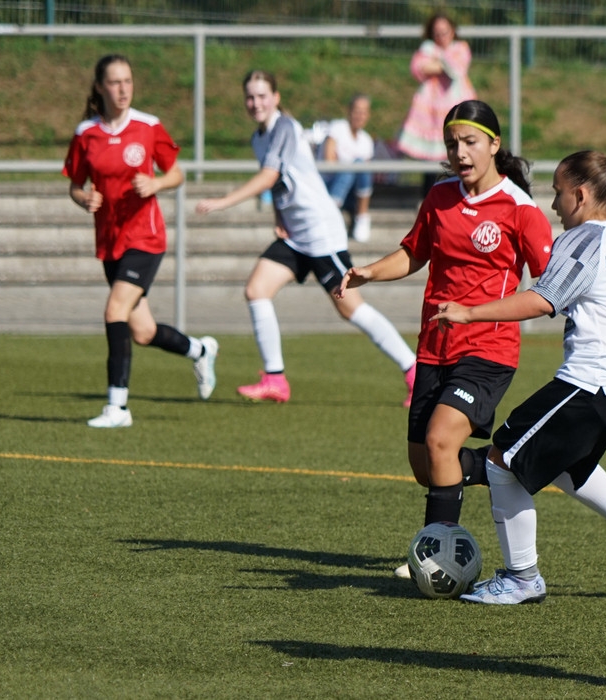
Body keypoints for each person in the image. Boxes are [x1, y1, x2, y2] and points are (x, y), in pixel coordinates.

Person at [430, 149, 606, 604]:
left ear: (579, 196)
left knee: (502, 460)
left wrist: (469, 313)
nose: (553, 204)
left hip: (593, 382)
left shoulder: (581, 240)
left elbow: (543, 299)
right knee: (560, 458)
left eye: (557, 193)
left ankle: (521, 578)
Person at [336, 100, 554, 578]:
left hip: (489, 350)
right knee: (427, 465)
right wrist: (370, 272)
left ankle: (436, 556)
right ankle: (502, 465)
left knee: (440, 441)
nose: (460, 152)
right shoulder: (439, 197)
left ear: (494, 145)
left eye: (470, 142)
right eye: (452, 143)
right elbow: (413, 253)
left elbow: (551, 281)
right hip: (434, 349)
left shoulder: (519, 208)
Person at [195, 70, 416, 405]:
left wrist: (222, 202)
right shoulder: (259, 137)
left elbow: (268, 176)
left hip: (322, 235)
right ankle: (275, 379)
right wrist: (279, 217)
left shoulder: (284, 127)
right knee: (257, 290)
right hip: (296, 236)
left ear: (276, 97)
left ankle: (414, 371)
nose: (255, 103)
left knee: (351, 309)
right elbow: (281, 182)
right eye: (250, 97)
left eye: (262, 96)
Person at [63, 54, 219, 428]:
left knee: (114, 311)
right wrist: (84, 199)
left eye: (128, 81)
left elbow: (177, 174)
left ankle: (117, 408)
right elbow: (75, 185)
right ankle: (200, 350)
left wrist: (156, 182)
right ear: (100, 87)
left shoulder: (148, 126)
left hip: (146, 238)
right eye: (115, 82)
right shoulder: (86, 133)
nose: (123, 89)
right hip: (110, 242)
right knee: (144, 332)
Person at [396, 13, 477, 195]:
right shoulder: (426, 49)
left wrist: (436, 63)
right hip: (430, 114)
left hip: (456, 110)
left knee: (459, 154)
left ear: (452, 31)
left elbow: (456, 69)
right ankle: (429, 199)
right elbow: (418, 68)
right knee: (430, 162)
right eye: (437, 33)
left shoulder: (460, 48)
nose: (441, 37)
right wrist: (440, 64)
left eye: (444, 32)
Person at [321, 93, 375, 243]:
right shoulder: (337, 128)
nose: (360, 116)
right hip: (329, 185)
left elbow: (365, 177)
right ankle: (353, 215)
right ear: (349, 111)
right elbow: (329, 163)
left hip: (351, 192)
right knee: (353, 166)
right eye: (357, 111)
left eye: (364, 112)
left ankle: (361, 215)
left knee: (357, 166)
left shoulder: (366, 140)